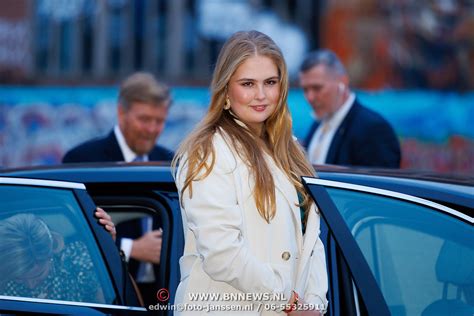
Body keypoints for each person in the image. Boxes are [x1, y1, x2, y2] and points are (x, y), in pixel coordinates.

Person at [172, 30, 328, 315]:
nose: (261, 95)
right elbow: (221, 253)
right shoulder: (208, 151)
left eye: (270, 82)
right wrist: (288, 303)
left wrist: (315, 304)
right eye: (248, 84)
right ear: (226, 90)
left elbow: (312, 241)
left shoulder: (289, 149)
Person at [62, 72, 171, 305]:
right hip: (107, 296)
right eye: (144, 119)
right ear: (121, 113)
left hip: (164, 296)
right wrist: (131, 248)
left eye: (159, 121)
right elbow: (68, 233)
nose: (152, 129)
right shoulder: (82, 160)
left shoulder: (169, 162)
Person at [299, 49, 401, 168]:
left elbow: (381, 184)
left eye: (317, 88)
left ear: (343, 81)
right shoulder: (319, 123)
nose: (310, 97)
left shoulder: (372, 128)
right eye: (305, 90)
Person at [0, 208, 116, 302]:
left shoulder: (79, 262)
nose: (30, 286)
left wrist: (110, 260)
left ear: (49, 255)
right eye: (19, 279)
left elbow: (113, 304)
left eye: (38, 275)